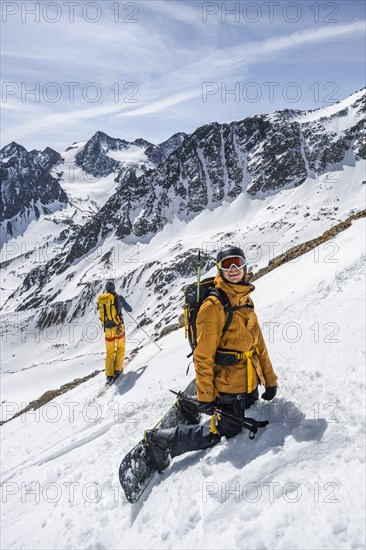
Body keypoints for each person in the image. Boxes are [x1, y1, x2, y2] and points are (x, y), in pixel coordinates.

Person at [145, 246, 278, 471]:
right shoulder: (213, 307)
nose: (234, 269)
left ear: (245, 265)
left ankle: (195, 400)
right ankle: (163, 440)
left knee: (251, 404)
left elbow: (258, 343)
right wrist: (206, 398)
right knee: (226, 430)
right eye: (227, 265)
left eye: (237, 262)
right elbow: (203, 356)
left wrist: (269, 379)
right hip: (227, 382)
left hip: (247, 378)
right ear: (220, 269)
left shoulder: (245, 299)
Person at [102, 280, 132, 385]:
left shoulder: (103, 300)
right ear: (114, 288)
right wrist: (121, 305)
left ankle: (109, 375)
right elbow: (130, 309)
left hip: (107, 329)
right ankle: (118, 369)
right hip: (119, 327)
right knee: (120, 348)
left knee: (109, 352)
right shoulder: (118, 297)